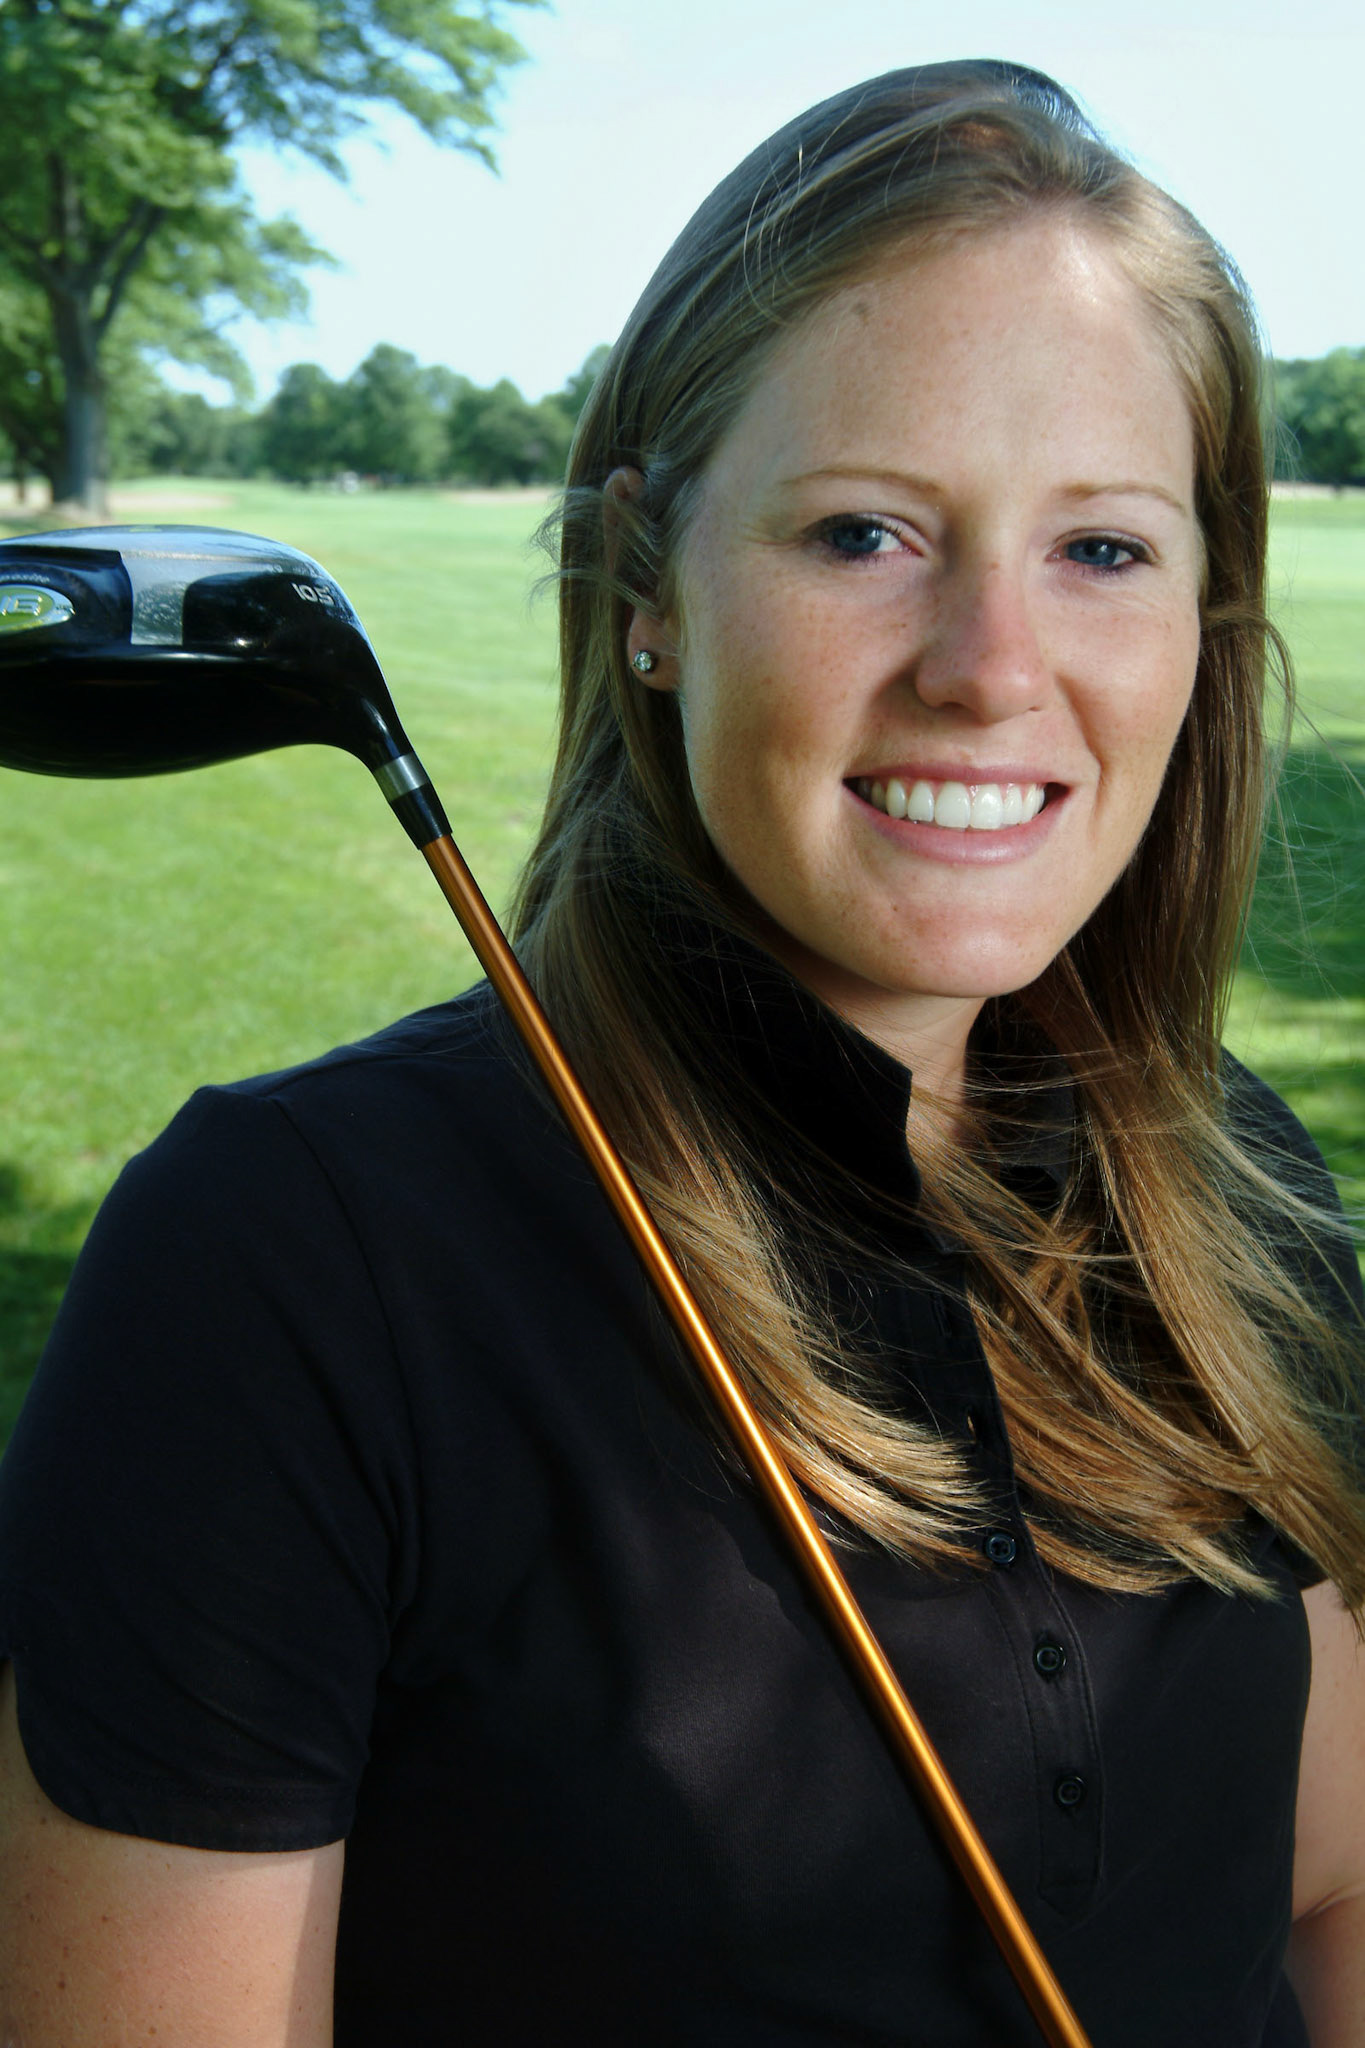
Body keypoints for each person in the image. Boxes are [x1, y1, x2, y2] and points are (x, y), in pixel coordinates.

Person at [0, 58, 1362, 2048]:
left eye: (1098, 549)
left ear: (1198, 616)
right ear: (646, 586)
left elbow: (1323, 1907)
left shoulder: (1224, 1185)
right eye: (864, 533)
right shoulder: (281, 1269)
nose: (991, 663)